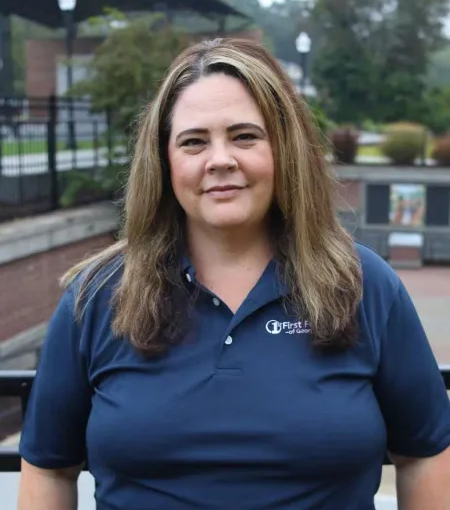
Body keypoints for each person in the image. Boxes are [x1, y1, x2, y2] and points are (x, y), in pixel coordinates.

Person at [18, 38, 450, 510]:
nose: (220, 159)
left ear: (284, 149)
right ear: (164, 161)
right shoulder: (97, 296)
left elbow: (423, 455)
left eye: (244, 136)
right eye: (194, 141)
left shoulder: (366, 285)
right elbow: (49, 468)